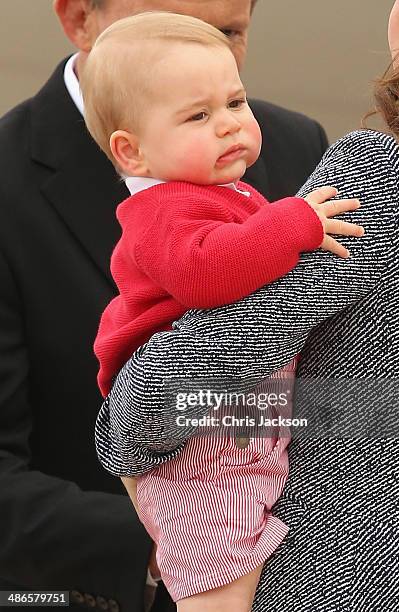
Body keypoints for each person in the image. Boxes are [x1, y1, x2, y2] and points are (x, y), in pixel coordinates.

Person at [0, 0, 329, 610]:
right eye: (166, 26)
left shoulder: (295, 142)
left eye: (226, 33)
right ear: (77, 18)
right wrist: (178, 546)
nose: (230, 124)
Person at [96, 0, 399, 610]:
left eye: (236, 103)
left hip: (345, 569)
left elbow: (148, 413)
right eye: (198, 114)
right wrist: (291, 221)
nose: (228, 124)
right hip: (221, 450)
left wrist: (126, 441)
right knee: (215, 564)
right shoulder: (165, 207)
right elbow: (204, 270)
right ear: (130, 151)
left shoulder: (379, 177)